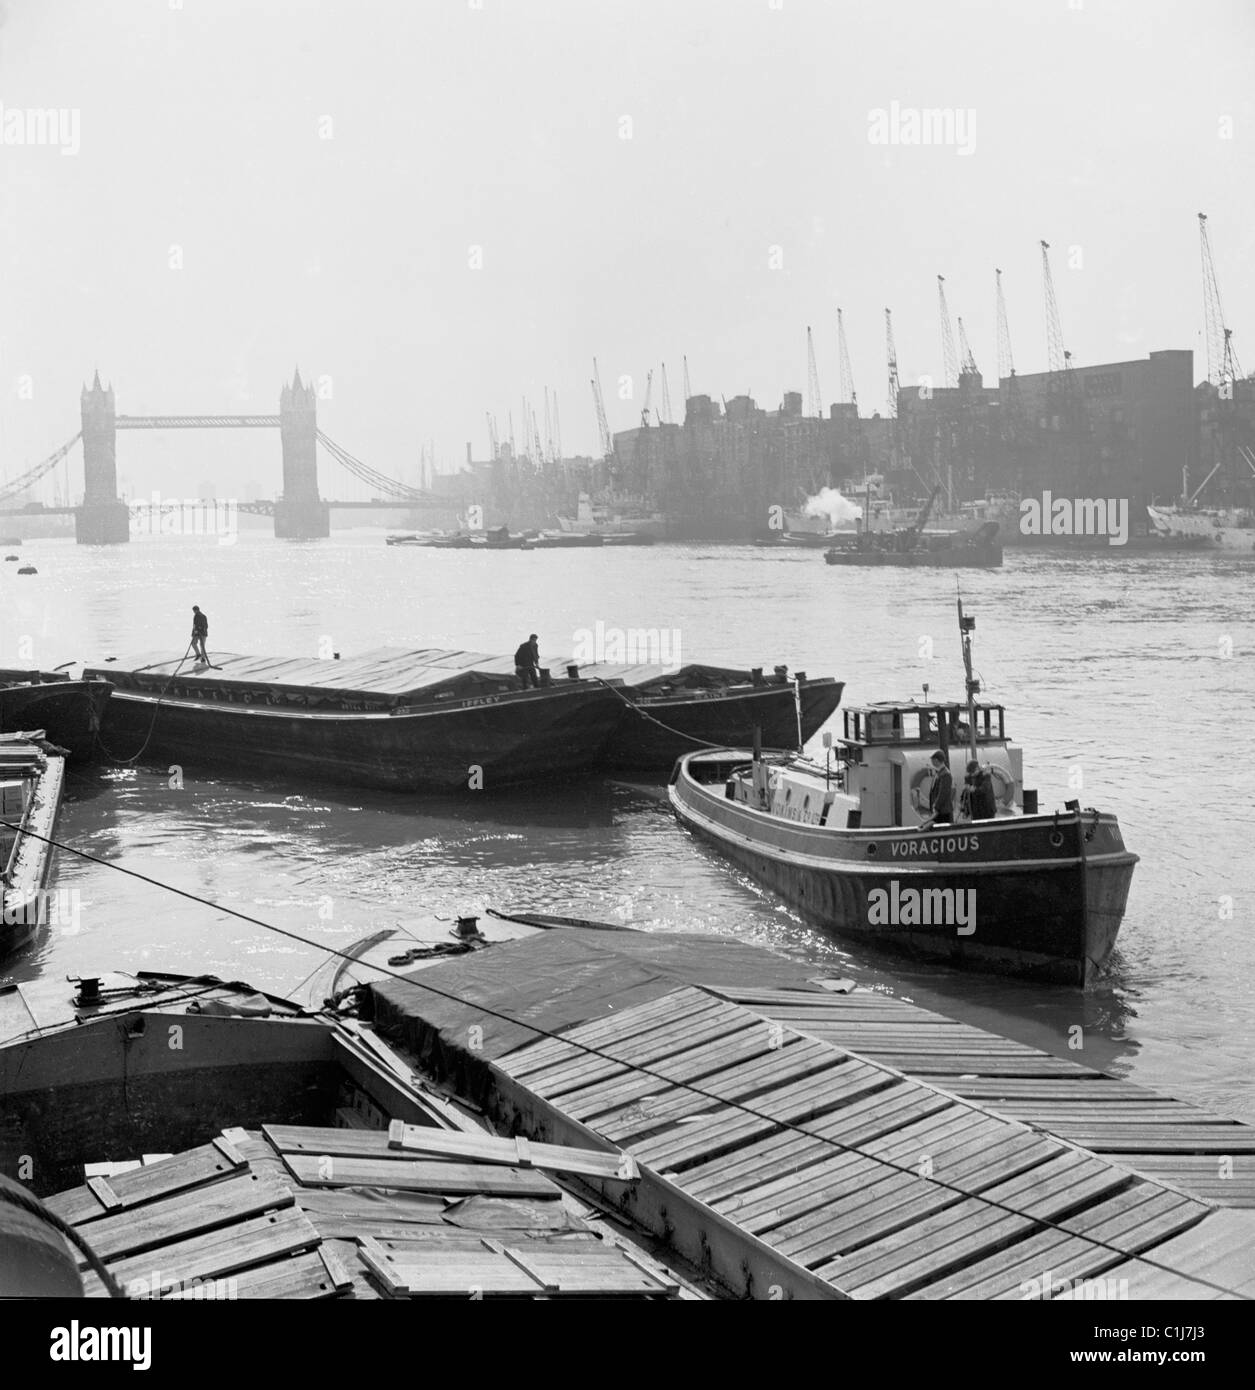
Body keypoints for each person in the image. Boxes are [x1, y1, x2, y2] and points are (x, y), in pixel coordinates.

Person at [924, 750, 953, 827]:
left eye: (932, 760)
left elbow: (943, 793)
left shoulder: (945, 774)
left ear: (936, 760)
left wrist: (936, 806)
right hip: (938, 811)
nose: (931, 762)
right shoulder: (939, 773)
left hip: (943, 811)